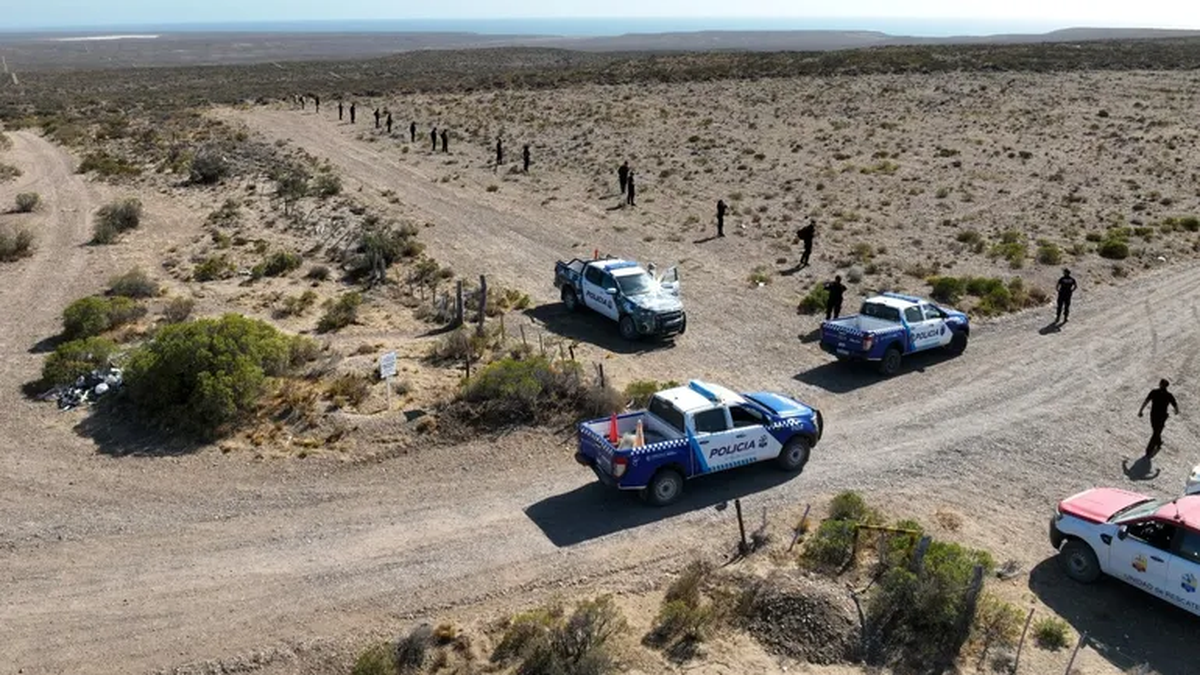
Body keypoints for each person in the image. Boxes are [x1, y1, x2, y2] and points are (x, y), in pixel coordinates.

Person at [1138, 379, 1180, 459]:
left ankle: (1149, 450)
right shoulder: (1169, 395)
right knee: (1156, 431)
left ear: (1160, 384)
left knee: (1155, 431)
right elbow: (1175, 404)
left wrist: (1141, 411)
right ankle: (1158, 443)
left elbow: (1146, 401)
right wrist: (1176, 411)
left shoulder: (1154, 392)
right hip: (1162, 416)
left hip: (1153, 415)